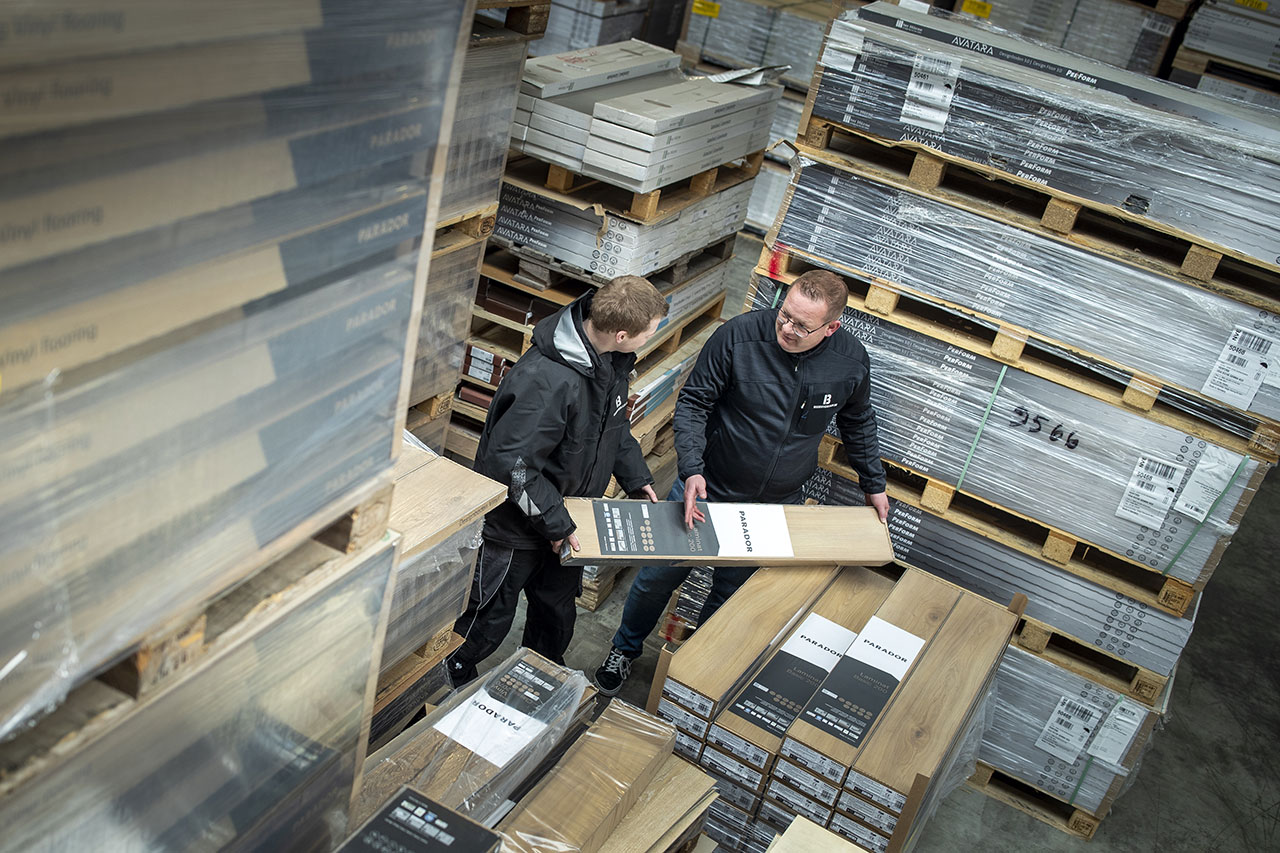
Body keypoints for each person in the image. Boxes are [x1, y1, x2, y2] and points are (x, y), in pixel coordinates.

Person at [593, 269, 890, 696]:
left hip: (775, 503)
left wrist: (873, 483)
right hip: (709, 486)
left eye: (802, 326)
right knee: (657, 577)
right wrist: (691, 468)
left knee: (730, 593)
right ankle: (624, 649)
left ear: (831, 328)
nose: (787, 328)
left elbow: (858, 420)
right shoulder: (738, 337)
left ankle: (691, 668)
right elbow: (695, 401)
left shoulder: (850, 360)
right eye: (784, 315)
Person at [446, 275, 670, 687]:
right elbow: (512, 469)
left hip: (567, 518)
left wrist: (636, 479)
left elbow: (613, 429)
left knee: (556, 612)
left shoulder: (610, 364)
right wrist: (556, 523)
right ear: (622, 334)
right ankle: (448, 672)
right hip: (516, 529)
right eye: (650, 331)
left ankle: (541, 673)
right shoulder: (546, 380)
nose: (653, 337)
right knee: (488, 616)